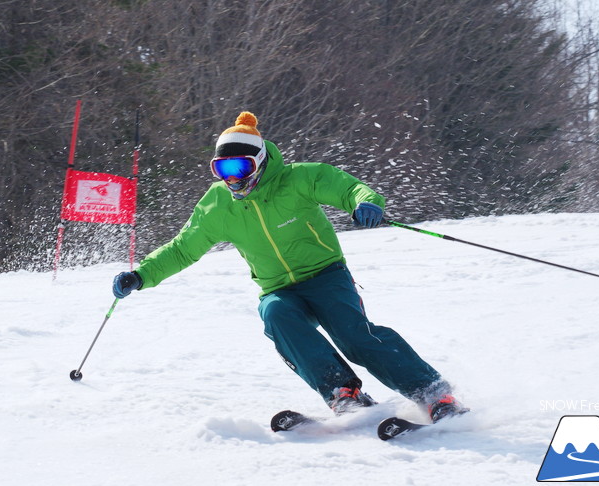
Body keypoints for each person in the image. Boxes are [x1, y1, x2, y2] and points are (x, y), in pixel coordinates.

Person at [112, 111, 466, 422]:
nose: (232, 178)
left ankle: (434, 393)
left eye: (240, 167)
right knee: (276, 314)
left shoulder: (298, 179)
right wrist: (142, 275)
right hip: (278, 287)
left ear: (261, 160)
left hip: (327, 276)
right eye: (223, 169)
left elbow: (347, 189)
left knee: (355, 337)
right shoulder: (217, 205)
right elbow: (182, 249)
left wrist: (366, 203)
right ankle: (344, 394)